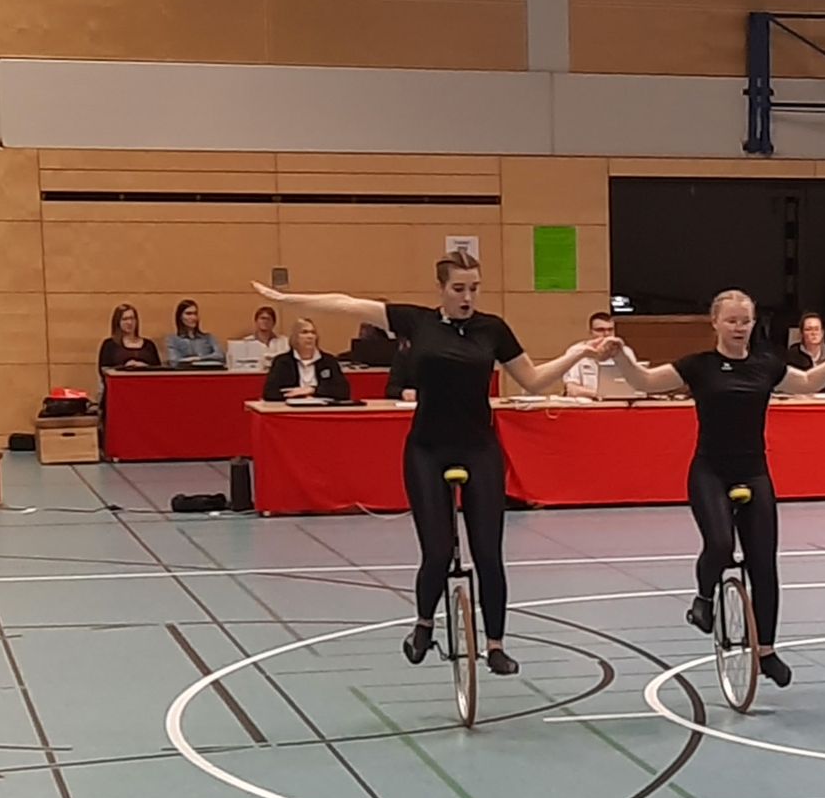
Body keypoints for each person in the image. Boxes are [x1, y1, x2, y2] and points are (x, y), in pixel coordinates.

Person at [251, 252, 606, 676]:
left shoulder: (492, 329)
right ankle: (423, 624)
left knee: (489, 554)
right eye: (458, 289)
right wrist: (289, 300)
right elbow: (348, 304)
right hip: (427, 450)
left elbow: (532, 379)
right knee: (436, 552)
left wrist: (577, 352)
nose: (467, 297)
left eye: (474, 289)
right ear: (441, 288)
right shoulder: (416, 322)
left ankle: (495, 645)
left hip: (479, 449)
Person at [605, 290, 825, 689]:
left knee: (764, 564)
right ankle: (704, 597)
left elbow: (808, 382)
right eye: (731, 320)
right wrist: (622, 355)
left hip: (754, 472)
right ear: (715, 323)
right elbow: (645, 381)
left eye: (745, 320)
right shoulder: (699, 366)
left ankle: (767, 651)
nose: (739, 327)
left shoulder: (765, 364)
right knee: (721, 544)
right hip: (710, 472)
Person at [263, 319, 352, 401]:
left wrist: (313, 390)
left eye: (313, 333)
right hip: (292, 408)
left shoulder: (328, 361)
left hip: (322, 408)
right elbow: (269, 393)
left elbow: (343, 391)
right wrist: (297, 395)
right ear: (295, 337)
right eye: (304, 332)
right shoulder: (282, 362)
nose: (310, 336)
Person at [564, 311, 627, 398]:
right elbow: (572, 390)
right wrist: (601, 394)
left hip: (618, 402)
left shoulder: (625, 352)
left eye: (610, 330)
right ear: (590, 332)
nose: (606, 334)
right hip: (587, 402)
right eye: (600, 330)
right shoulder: (577, 351)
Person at [787, 312, 825, 392]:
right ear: (802, 333)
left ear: (822, 332)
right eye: (808, 329)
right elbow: (792, 383)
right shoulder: (793, 354)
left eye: (816, 329)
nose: (813, 333)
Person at [98, 304, 161, 372]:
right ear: (118, 322)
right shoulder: (109, 345)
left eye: (132, 318)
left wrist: (144, 367)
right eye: (125, 319)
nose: (129, 322)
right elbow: (104, 370)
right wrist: (125, 368)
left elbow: (158, 370)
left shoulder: (149, 345)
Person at [165, 301, 226, 368]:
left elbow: (220, 356)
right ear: (180, 317)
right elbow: (174, 361)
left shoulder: (208, 337)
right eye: (188, 314)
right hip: (186, 373)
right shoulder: (173, 339)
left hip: (206, 371)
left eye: (195, 313)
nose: (193, 317)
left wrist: (198, 358)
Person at [228, 305, 290, 369]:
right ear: (256, 321)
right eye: (262, 318)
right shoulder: (246, 342)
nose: (265, 321)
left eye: (268, 319)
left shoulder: (284, 342)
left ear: (274, 323)